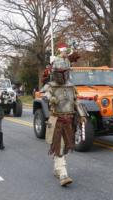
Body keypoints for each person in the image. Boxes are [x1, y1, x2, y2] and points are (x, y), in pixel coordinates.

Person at [42, 43, 87, 187]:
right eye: (60, 72)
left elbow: (76, 101)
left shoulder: (71, 86)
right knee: (59, 146)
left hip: (70, 120)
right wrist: (51, 98)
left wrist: (82, 115)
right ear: (55, 72)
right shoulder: (51, 86)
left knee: (66, 147)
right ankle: (63, 174)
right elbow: (46, 95)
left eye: (65, 71)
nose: (63, 74)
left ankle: (57, 167)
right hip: (56, 120)